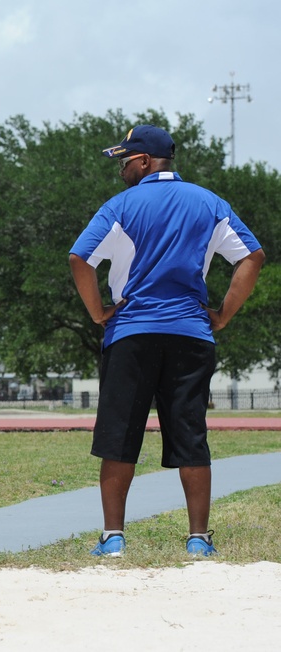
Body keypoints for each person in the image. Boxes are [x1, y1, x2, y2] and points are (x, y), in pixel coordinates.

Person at [69, 125, 264, 557]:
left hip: (132, 334)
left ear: (143, 161)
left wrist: (100, 312)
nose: (120, 169)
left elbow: (80, 257)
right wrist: (223, 315)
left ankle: (113, 538)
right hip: (191, 333)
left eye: (124, 161)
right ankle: (198, 539)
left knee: (120, 434)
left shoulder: (120, 205)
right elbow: (252, 256)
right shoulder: (209, 202)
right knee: (190, 433)